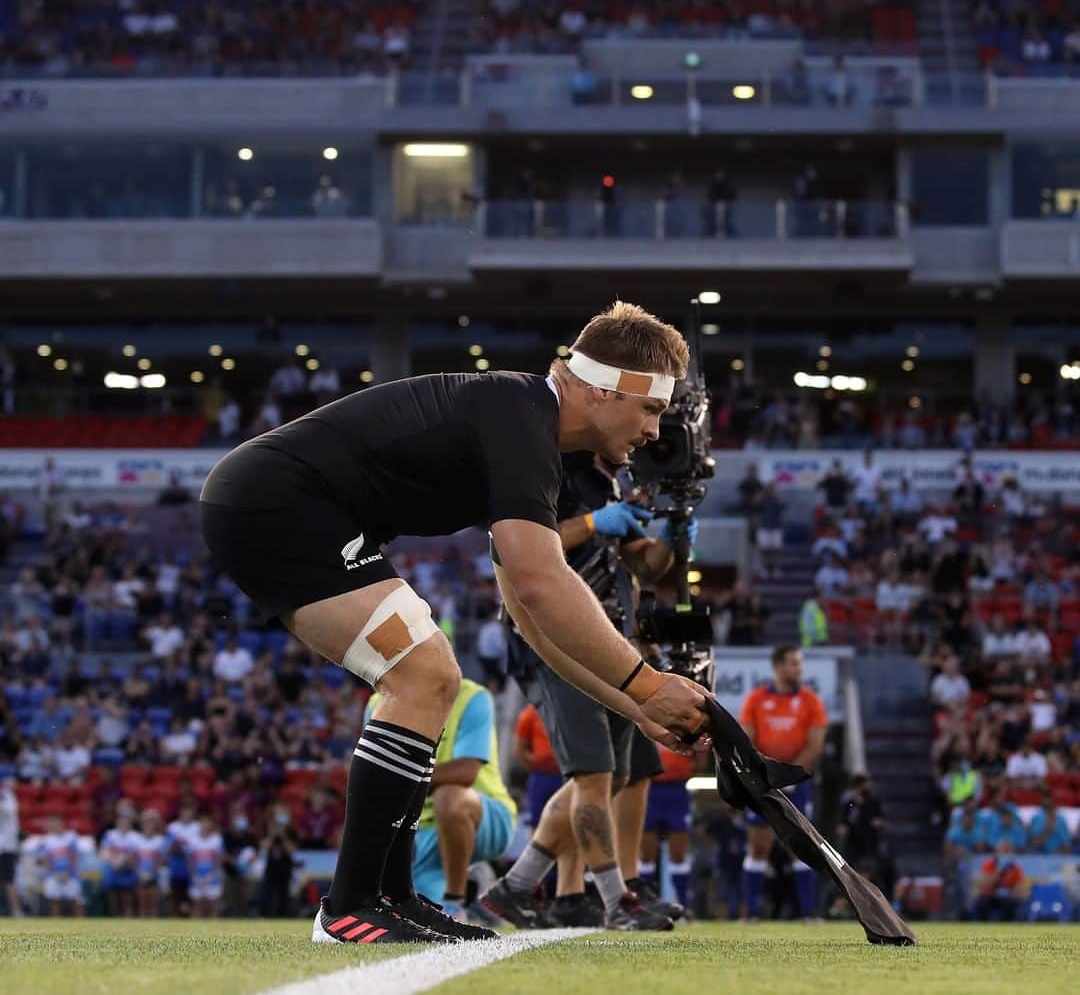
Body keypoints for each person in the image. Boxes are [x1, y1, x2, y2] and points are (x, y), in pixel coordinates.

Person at [200, 301, 708, 945]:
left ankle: (389, 897)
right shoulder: (523, 419)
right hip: (277, 502)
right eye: (652, 408)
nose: (657, 431)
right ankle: (353, 904)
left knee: (429, 676)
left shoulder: (530, 428)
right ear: (606, 389)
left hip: (275, 502)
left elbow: (527, 615)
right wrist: (645, 684)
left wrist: (632, 706)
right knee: (423, 671)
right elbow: (540, 584)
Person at [483, 449, 691, 932]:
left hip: (610, 641)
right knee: (595, 774)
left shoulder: (610, 483)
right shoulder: (551, 470)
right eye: (644, 413)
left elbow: (644, 566)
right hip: (555, 639)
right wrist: (597, 522)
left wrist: (672, 540)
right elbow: (518, 545)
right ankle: (617, 900)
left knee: (609, 777)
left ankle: (515, 887)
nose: (649, 435)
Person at [366, 677, 513, 921]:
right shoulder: (376, 705)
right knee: (416, 911)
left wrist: (403, 773)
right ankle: (475, 886)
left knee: (450, 799)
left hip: (485, 815)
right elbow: (375, 775)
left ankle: (456, 901)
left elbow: (466, 772)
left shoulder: (472, 697)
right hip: (422, 829)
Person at [739, 646, 827, 920]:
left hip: (797, 784)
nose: (798, 669)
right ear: (777, 666)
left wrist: (788, 775)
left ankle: (809, 913)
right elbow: (747, 741)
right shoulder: (755, 699)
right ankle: (751, 912)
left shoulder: (811, 701)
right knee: (758, 846)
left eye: (800, 664)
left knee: (800, 847)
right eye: (793, 663)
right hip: (763, 783)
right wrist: (767, 775)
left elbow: (815, 744)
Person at [640, 742, 697, 910]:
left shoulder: (679, 719)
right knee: (646, 853)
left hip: (676, 789)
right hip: (649, 788)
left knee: (678, 853)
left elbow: (699, 760)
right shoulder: (644, 719)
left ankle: (684, 905)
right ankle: (646, 904)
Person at [513, 702, 562, 829]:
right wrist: (538, 765)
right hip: (541, 777)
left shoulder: (573, 712)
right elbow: (519, 751)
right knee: (536, 822)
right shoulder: (531, 713)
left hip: (569, 777)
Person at [37, 816, 84, 916]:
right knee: (54, 900)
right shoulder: (47, 840)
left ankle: (81, 921)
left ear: (59, 824)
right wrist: (55, 872)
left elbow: (75, 856)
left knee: (76, 900)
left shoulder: (71, 836)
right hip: (53, 874)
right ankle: (56, 922)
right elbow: (45, 859)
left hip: (70, 874)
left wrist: (68, 871)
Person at [100, 807, 141, 917]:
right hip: (113, 870)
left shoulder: (135, 837)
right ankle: (114, 923)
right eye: (121, 820)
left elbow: (137, 854)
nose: (123, 823)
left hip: (128, 870)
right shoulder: (110, 834)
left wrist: (125, 861)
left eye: (126, 820)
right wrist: (114, 861)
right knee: (113, 900)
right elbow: (104, 851)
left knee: (127, 899)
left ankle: (128, 922)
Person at [188, 813, 224, 918]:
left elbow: (218, 859)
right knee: (196, 906)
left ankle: (215, 930)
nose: (205, 825)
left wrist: (213, 874)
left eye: (207, 822)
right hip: (197, 876)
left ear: (211, 824)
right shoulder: (193, 840)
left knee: (213, 906)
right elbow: (190, 859)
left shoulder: (216, 839)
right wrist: (194, 874)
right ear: (199, 824)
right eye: (202, 822)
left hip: (212, 877)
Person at [135, 809, 167, 918]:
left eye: (151, 824)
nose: (148, 827)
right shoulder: (137, 839)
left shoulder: (159, 840)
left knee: (153, 902)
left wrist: (153, 872)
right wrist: (139, 871)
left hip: (154, 875)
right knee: (142, 902)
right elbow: (134, 858)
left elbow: (161, 859)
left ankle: (153, 921)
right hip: (141, 874)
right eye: (146, 824)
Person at [0, 772, 23, 916]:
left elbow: (8, 809)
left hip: (6, 846)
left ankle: (17, 911)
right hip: (5, 845)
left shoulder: (7, 796)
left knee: (9, 880)